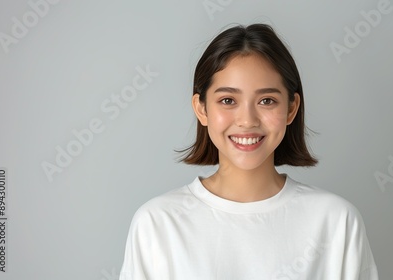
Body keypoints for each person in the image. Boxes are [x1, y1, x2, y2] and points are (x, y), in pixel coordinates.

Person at [119, 23, 379, 280]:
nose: (247, 120)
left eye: (267, 101)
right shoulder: (158, 223)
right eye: (228, 100)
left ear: (291, 108)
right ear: (201, 109)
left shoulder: (336, 222)